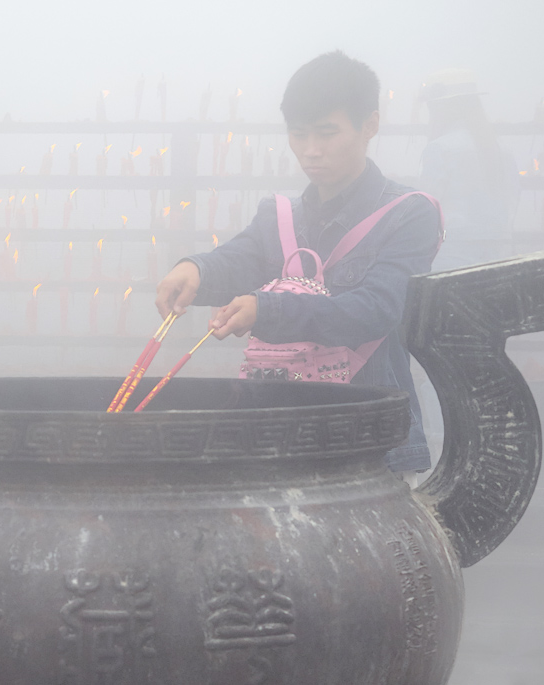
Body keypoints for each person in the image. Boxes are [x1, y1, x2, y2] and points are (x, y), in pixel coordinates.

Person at [155, 51, 442, 485]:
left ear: (370, 126)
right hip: (278, 431)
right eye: (299, 135)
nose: (311, 151)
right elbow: (240, 258)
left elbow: (378, 308)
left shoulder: (408, 215)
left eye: (327, 133)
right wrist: (194, 270)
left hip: (367, 438)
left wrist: (267, 311)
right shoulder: (280, 215)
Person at [418, 68, 516, 270]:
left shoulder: (440, 149)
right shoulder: (502, 149)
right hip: (498, 254)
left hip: (449, 257)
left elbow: (426, 209)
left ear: (441, 107)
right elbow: (512, 201)